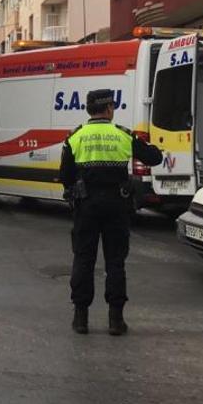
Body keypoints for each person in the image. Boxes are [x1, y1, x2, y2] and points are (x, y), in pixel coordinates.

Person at [59, 89, 162, 336]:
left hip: (86, 206)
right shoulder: (122, 135)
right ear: (108, 109)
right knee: (115, 261)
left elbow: (65, 176)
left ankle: (80, 319)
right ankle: (116, 320)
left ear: (89, 109)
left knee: (84, 259)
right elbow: (154, 158)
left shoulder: (75, 137)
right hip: (117, 205)